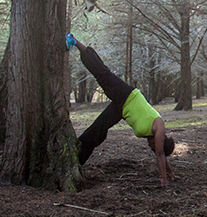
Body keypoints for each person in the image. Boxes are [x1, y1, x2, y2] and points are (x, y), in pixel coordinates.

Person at [66, 33, 176, 187]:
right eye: (153, 146)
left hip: (121, 110)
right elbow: (159, 153)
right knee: (102, 74)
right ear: (161, 142)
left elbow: (160, 154)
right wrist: (163, 178)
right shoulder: (159, 127)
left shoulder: (155, 139)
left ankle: (75, 159)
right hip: (127, 95)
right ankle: (74, 40)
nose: (150, 147)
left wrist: (170, 172)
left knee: (98, 130)